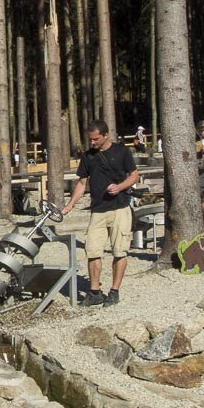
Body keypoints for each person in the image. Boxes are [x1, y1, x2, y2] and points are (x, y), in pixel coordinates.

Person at [62, 119, 139, 306]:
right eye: (90, 139)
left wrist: (120, 187)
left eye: (96, 139)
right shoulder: (87, 156)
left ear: (106, 135)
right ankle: (94, 292)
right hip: (97, 210)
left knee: (119, 251)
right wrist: (70, 204)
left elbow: (134, 175)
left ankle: (114, 291)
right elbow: (82, 183)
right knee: (92, 251)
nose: (92, 142)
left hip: (120, 208)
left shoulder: (122, 151)